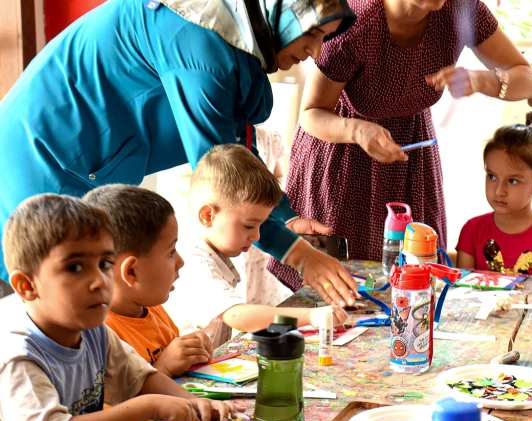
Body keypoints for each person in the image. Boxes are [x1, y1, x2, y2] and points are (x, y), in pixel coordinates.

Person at [0, 0, 358, 307]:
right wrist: (299, 254)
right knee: (50, 303)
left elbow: (237, 156)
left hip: (79, 161)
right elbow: (225, 183)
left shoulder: (226, 31)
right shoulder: (201, 47)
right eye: (312, 34)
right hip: (41, 158)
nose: (316, 53)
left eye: (324, 39)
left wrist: (282, 217)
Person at [271, 0, 532, 289]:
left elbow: (528, 82)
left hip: (411, 157)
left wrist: (482, 80)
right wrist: (358, 131)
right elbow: (311, 114)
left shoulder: (461, 9)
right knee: (335, 287)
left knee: (412, 281)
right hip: (343, 154)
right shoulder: (357, 20)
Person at [0, 194, 234, 421]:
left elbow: (140, 379)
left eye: (104, 264)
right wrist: (150, 407)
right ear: (27, 286)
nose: (100, 281)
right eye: (75, 267)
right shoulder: (19, 357)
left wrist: (192, 402)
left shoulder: (94, 333)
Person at [166, 144, 348, 345]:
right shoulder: (196, 261)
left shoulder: (215, 250)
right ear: (208, 215)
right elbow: (238, 317)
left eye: (261, 224)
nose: (256, 235)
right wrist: (311, 317)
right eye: (249, 225)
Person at [84, 184, 214, 376]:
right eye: (171, 252)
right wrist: (163, 368)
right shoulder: (98, 335)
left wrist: (190, 351)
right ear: (131, 272)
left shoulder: (150, 307)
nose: (181, 261)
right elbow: (118, 403)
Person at [456, 113, 532, 276]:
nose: (498, 191)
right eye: (492, 176)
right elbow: (463, 293)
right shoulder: (472, 231)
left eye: (513, 181)